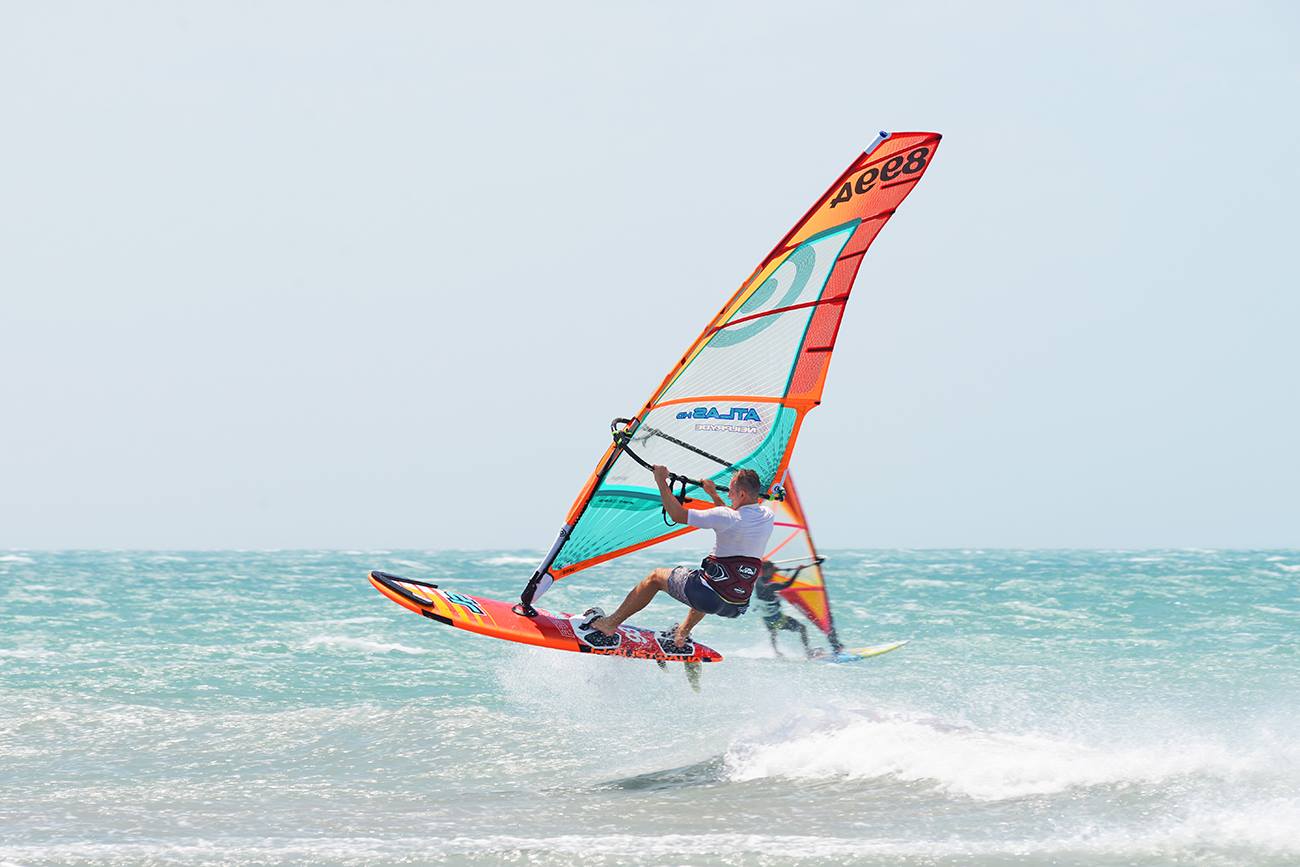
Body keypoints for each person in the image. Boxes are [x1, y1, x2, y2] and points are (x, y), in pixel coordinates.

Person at [580, 464, 774, 650]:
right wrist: (713, 494)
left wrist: (661, 481)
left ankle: (610, 623)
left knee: (656, 578)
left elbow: (678, 515)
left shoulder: (727, 516)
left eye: (731, 491)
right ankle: (681, 634)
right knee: (708, 581)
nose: (728, 494)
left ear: (742, 493)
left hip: (708, 596)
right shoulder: (767, 515)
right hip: (736, 605)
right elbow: (732, 516)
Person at [754, 561, 812, 658]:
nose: (774, 572)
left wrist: (776, 570)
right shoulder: (770, 586)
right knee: (802, 628)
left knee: (773, 632)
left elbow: (767, 576)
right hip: (776, 618)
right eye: (772, 570)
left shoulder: (759, 581)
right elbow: (787, 584)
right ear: (767, 570)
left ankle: (776, 652)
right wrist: (798, 571)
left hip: (766, 618)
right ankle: (808, 652)